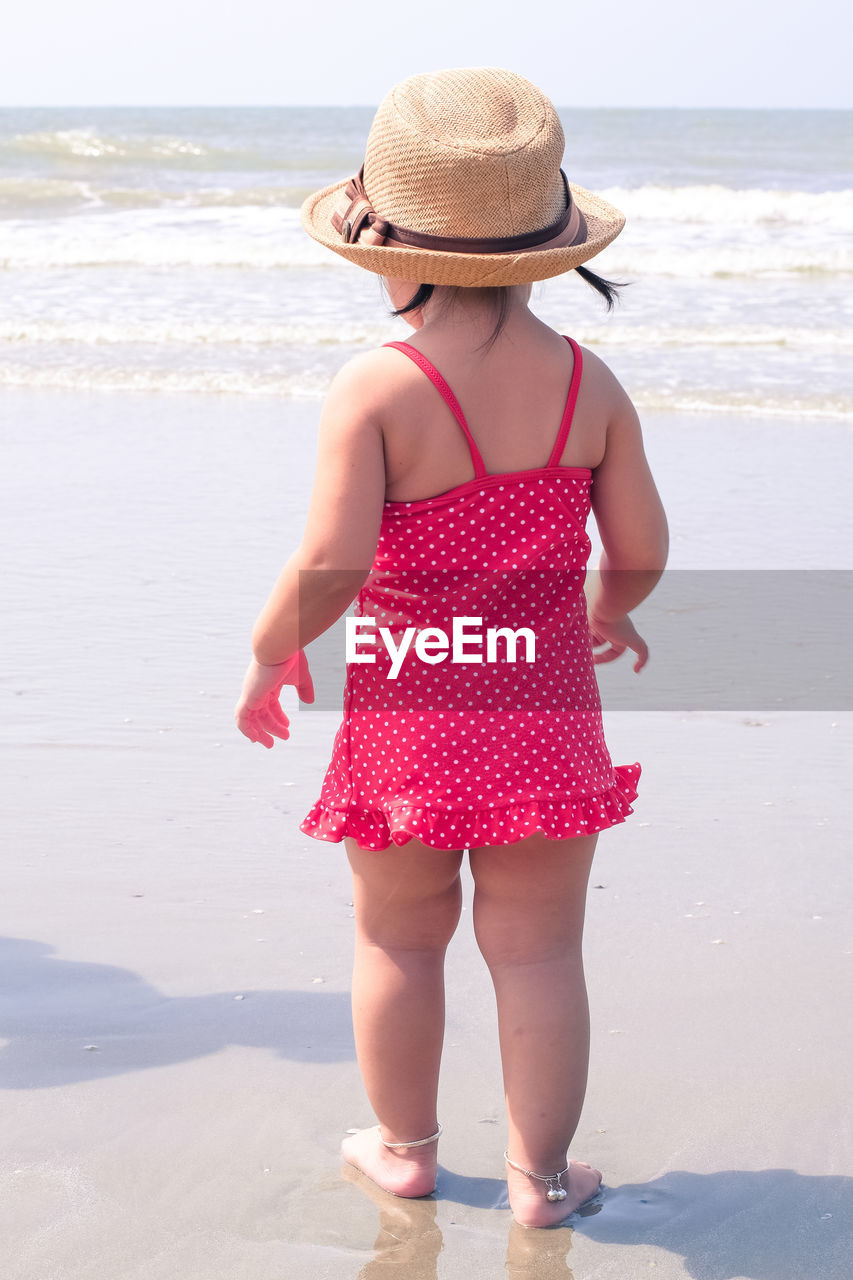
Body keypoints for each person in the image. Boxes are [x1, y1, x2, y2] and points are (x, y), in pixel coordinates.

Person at [235, 67, 668, 1229]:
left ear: (393, 248)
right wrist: (610, 608)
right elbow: (640, 546)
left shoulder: (377, 385)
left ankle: (405, 1148)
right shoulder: (590, 382)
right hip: (542, 707)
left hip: (411, 716)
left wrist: (272, 650)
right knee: (537, 951)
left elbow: (329, 565)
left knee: (396, 933)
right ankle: (539, 1181)